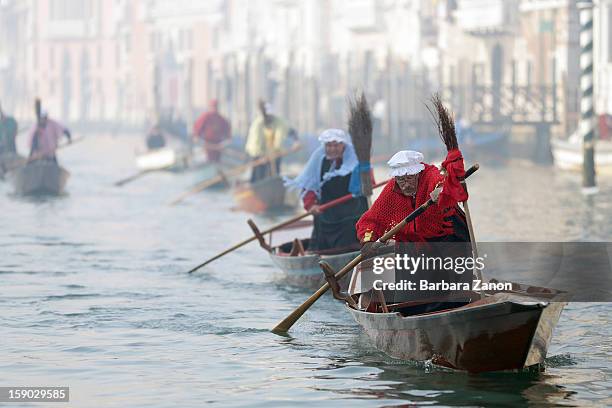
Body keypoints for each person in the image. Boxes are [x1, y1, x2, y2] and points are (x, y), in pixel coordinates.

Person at [356, 150, 469, 252]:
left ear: (418, 173)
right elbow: (372, 218)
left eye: (409, 178)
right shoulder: (392, 187)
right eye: (401, 180)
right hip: (416, 244)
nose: (405, 186)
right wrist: (368, 240)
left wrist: (442, 189)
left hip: (446, 236)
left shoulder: (430, 175)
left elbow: (441, 182)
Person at [285, 129, 369, 252]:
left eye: (336, 145)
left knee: (356, 226)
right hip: (328, 211)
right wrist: (311, 205)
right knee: (320, 222)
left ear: (343, 145)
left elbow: (369, 183)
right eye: (329, 146)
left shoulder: (356, 160)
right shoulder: (318, 160)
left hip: (354, 210)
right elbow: (310, 186)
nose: (332, 149)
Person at [245, 101, 289, 183]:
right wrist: (261, 156)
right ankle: (256, 186)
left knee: (275, 166)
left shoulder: (278, 122)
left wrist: (275, 151)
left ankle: (274, 183)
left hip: (273, 153)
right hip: (257, 153)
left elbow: (279, 137)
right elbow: (255, 143)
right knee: (258, 173)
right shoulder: (258, 124)